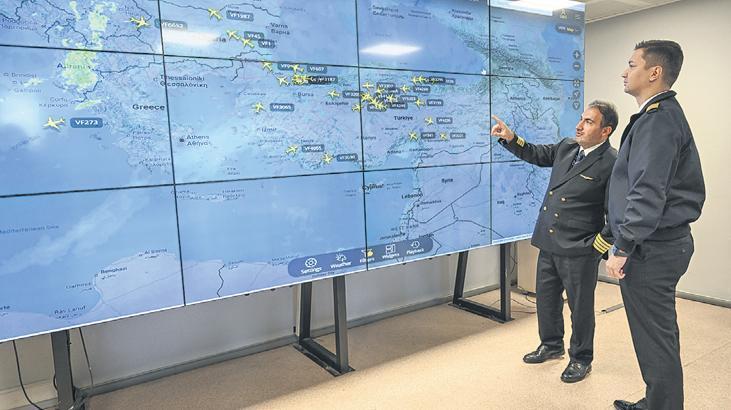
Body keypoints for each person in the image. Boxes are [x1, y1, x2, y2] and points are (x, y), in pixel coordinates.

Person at [606, 40, 705, 410]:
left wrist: (623, 246)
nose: (624, 72)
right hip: (660, 243)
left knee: (655, 339)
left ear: (654, 73)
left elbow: (647, 191)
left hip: (652, 249)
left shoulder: (657, 119)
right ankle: (657, 402)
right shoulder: (660, 115)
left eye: (632, 64)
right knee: (657, 335)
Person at [491, 100, 618, 383]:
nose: (579, 126)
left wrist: (595, 248)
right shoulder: (567, 147)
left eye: (588, 122)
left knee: (580, 308)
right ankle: (551, 345)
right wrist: (511, 138)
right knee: (546, 300)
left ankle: (581, 358)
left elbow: (616, 214)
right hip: (549, 241)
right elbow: (536, 153)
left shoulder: (613, 162)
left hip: (580, 248)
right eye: (581, 119)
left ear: (605, 130)